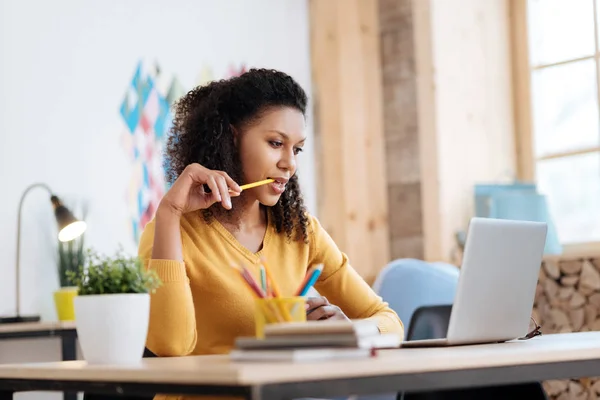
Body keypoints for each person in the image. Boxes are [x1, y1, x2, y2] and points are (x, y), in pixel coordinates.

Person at [138, 67, 404, 364]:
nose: (289, 164)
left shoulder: (301, 231)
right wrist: (169, 212)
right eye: (276, 143)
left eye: (297, 150)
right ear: (232, 138)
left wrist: (352, 330)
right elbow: (169, 347)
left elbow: (391, 323)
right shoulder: (171, 231)